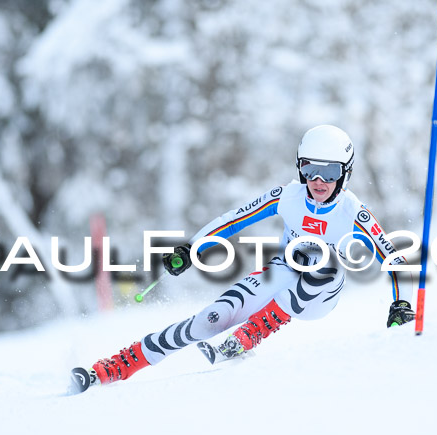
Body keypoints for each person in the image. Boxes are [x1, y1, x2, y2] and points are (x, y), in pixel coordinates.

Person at [71, 125, 414, 392]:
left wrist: (401, 302)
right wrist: (194, 248)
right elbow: (236, 218)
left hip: (322, 291)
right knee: (211, 317)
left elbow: (391, 256)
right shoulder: (288, 196)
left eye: (330, 171)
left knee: (321, 259)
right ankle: (114, 367)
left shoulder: (353, 212)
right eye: (310, 170)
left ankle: (250, 335)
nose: (319, 181)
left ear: (346, 173)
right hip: (282, 272)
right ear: (299, 168)